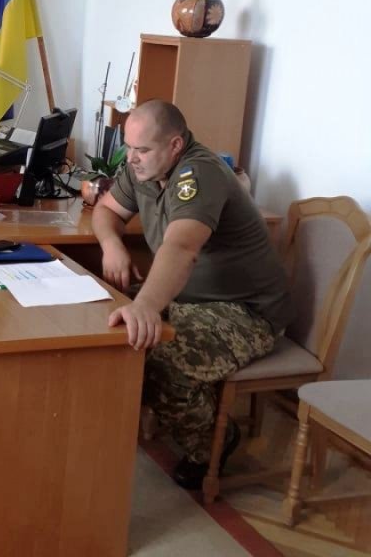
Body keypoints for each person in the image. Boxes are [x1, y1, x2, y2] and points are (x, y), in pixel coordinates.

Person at [91, 100, 291, 489]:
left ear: (175, 145)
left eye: (142, 149)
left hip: (247, 311)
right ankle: (102, 434)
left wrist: (147, 306)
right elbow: (105, 210)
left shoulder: (198, 174)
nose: (131, 158)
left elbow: (182, 247)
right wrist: (112, 245)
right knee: (100, 321)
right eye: (129, 147)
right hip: (189, 299)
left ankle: (212, 442)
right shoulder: (144, 168)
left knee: (160, 357)